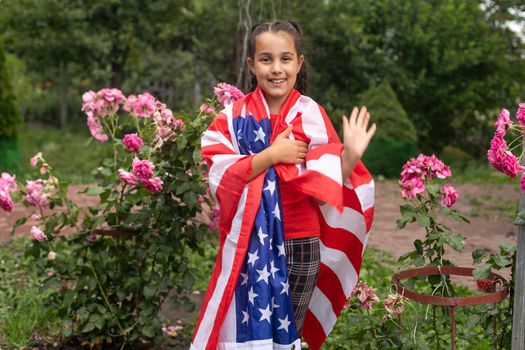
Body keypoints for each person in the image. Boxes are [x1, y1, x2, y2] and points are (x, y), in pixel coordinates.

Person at [193, 20, 376, 350]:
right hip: (250, 245)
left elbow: (325, 190)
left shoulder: (311, 115)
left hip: (300, 245)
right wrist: (272, 154)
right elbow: (221, 177)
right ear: (251, 65)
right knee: (245, 334)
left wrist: (351, 155)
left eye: (285, 59)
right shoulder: (232, 119)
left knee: (288, 336)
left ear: (299, 63)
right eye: (266, 59)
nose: (276, 69)